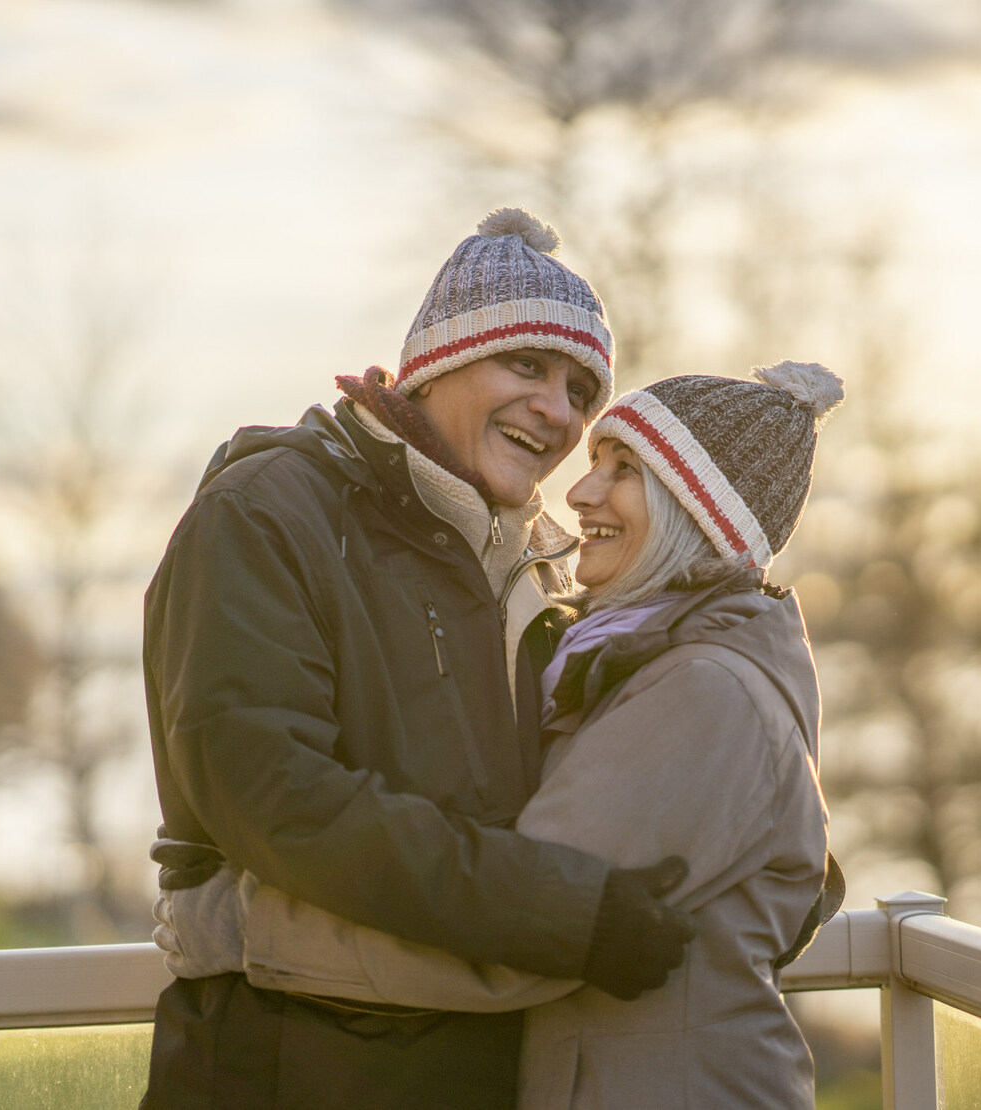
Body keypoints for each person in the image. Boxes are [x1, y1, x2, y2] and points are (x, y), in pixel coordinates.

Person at [156, 361, 847, 1109]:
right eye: (596, 462)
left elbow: (517, 955)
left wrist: (239, 933)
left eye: (624, 471)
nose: (579, 493)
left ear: (695, 516)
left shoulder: (698, 691)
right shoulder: (626, 661)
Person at [138, 208, 699, 1110]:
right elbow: (270, 793)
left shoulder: (543, 570)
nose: (557, 411)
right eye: (525, 364)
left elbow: (624, 764)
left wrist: (765, 844)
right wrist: (555, 914)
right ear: (437, 361)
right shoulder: (268, 513)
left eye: (579, 389)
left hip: (495, 1068)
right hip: (291, 1071)